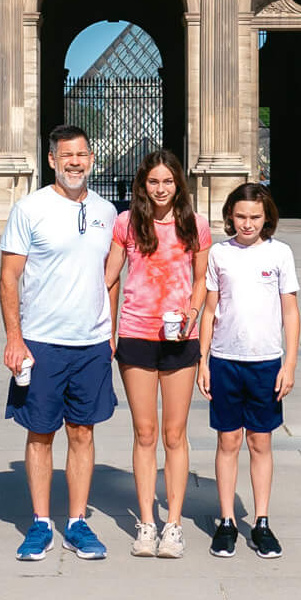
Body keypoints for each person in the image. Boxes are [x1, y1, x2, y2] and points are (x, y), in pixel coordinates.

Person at [0, 123, 116, 563]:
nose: (74, 162)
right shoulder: (29, 209)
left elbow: (111, 276)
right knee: (41, 432)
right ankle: (41, 522)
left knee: (83, 432)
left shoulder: (107, 212)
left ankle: (79, 521)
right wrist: (15, 338)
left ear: (91, 159)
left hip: (90, 344)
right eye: (66, 155)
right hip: (43, 341)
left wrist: (112, 331)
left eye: (82, 154)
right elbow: (9, 277)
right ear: (51, 159)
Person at [105, 148, 211, 560]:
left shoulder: (195, 224)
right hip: (135, 333)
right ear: (142, 185)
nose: (161, 188)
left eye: (168, 181)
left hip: (180, 337)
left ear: (178, 183)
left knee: (175, 433)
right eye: (154, 182)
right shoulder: (126, 223)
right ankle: (147, 521)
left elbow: (202, 279)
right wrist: (107, 330)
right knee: (145, 432)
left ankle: (175, 523)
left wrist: (193, 311)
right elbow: (109, 277)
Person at [198, 181, 299, 559]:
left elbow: (290, 311)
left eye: (255, 216)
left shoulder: (280, 254)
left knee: (260, 441)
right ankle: (226, 520)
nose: (247, 223)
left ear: (267, 217)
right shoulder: (219, 255)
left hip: (266, 361)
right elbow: (210, 310)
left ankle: (261, 521)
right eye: (240, 216)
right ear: (229, 217)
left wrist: (289, 363)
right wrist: (203, 360)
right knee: (228, 441)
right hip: (225, 359)